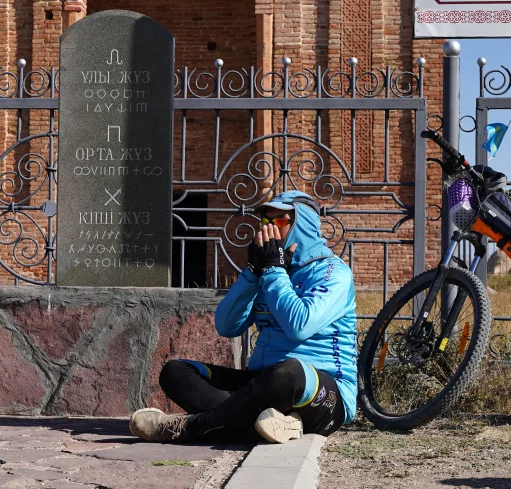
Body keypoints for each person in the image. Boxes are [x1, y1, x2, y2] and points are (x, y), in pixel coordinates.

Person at [128, 190, 358, 444]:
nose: (270, 230)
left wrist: (273, 270)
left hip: (323, 392)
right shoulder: (269, 271)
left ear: (302, 225)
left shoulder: (334, 272)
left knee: (288, 372)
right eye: (266, 222)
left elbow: (299, 326)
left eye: (280, 221)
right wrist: (253, 273)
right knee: (177, 371)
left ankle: (186, 428)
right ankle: (274, 424)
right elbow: (226, 325)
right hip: (264, 384)